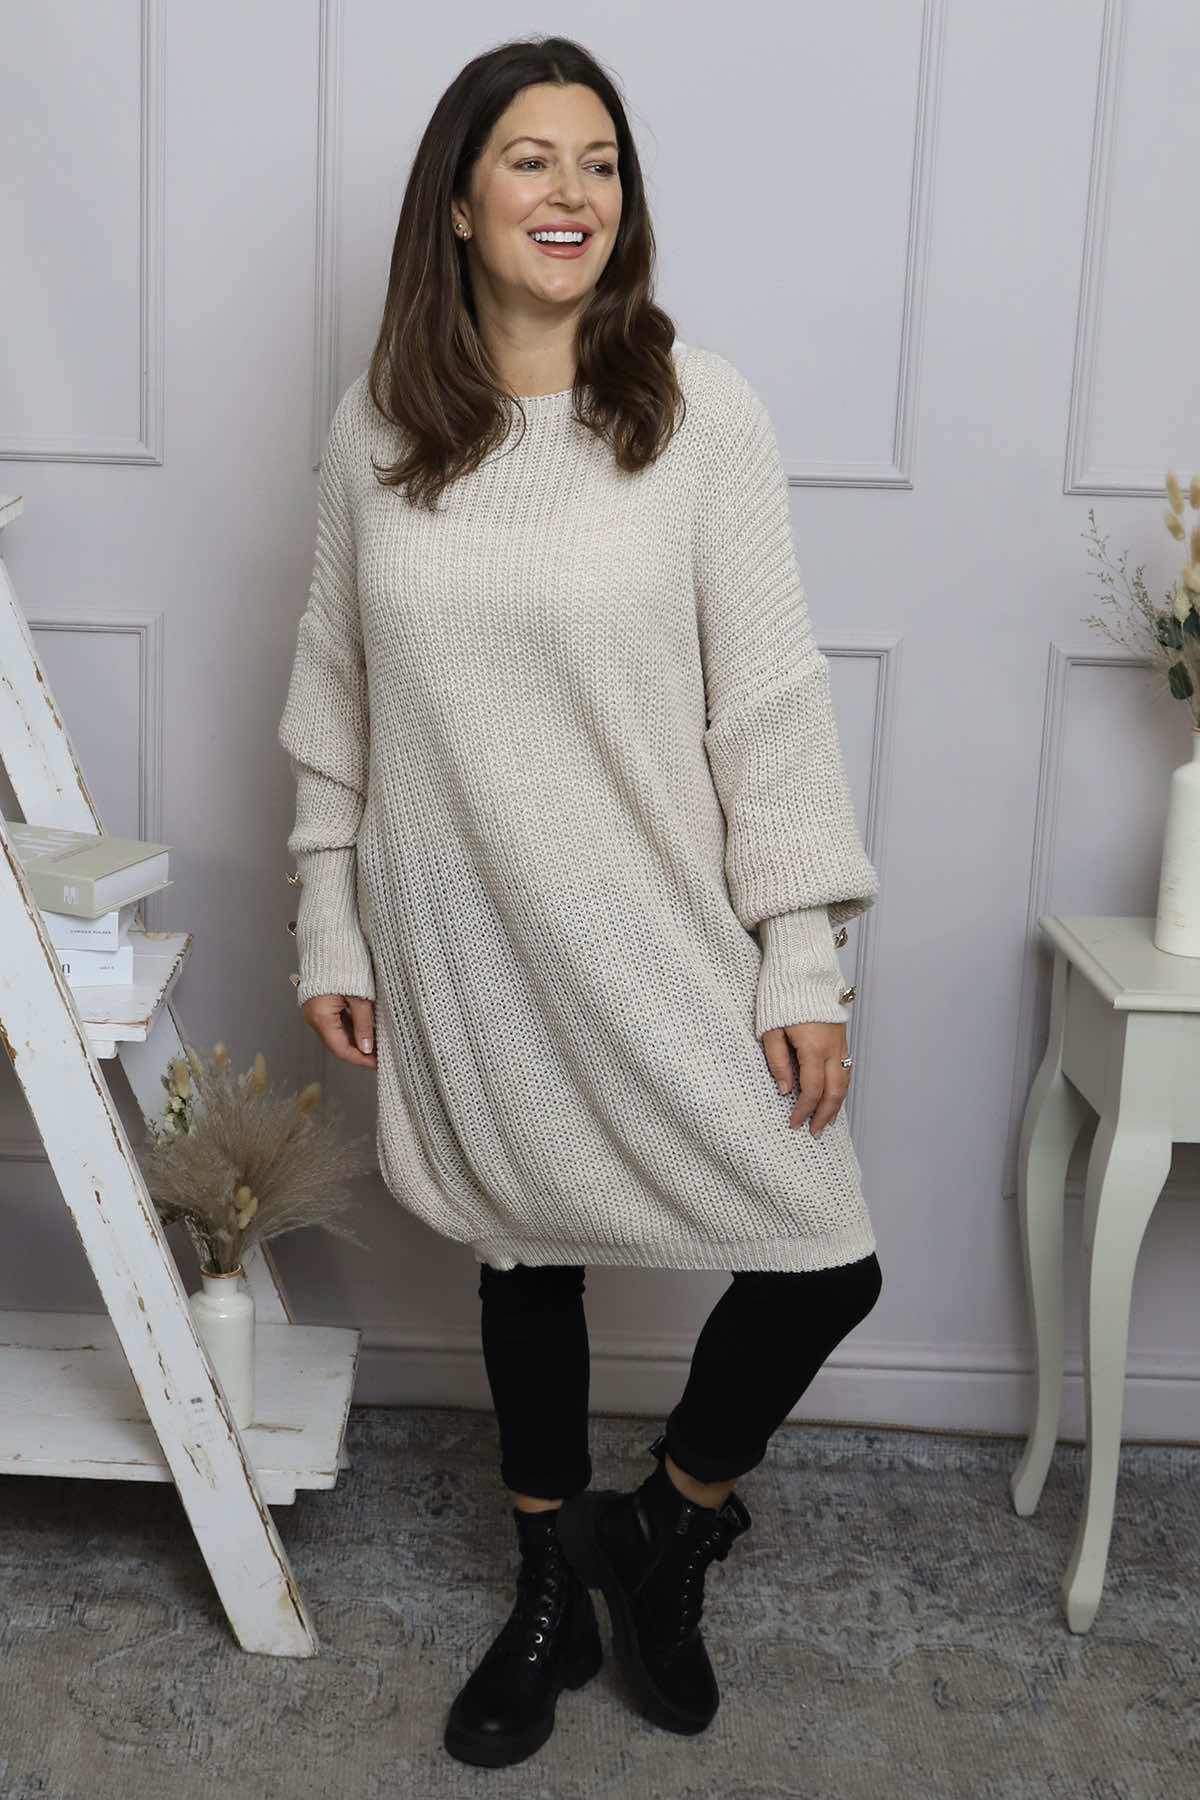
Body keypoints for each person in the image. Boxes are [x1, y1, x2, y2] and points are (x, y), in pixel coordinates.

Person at [278, 33, 884, 1772]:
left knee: (824, 1261)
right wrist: (329, 909)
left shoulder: (698, 411)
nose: (572, 193)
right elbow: (335, 688)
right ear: (460, 206)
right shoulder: (382, 425)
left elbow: (768, 705)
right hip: (459, 922)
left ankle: (666, 1530)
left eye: (599, 161)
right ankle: (551, 1583)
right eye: (531, 160)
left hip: (652, 921)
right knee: (519, 1247)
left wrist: (800, 954)